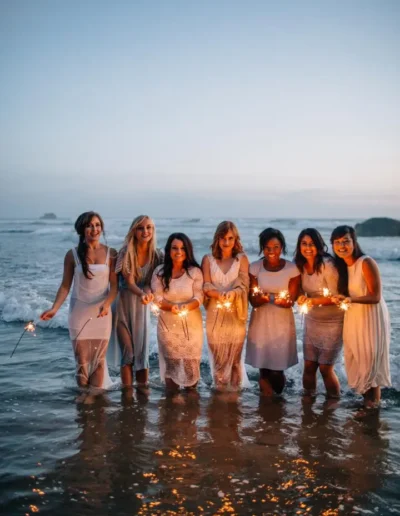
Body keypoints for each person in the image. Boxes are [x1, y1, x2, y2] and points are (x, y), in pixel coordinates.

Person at [40, 211, 118, 389]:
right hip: (79, 313)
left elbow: (114, 286)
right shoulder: (72, 255)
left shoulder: (110, 253)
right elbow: (65, 286)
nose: (94, 229)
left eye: (97, 225)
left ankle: (96, 402)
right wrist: (54, 308)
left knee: (98, 361)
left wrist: (107, 305)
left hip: (102, 313)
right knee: (82, 361)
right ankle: (84, 403)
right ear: (82, 229)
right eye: (90, 225)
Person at [330, 225, 391, 408]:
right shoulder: (343, 267)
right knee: (358, 359)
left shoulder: (366, 262)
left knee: (370, 362)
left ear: (354, 242)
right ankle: (369, 404)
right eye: (337, 242)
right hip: (354, 317)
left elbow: (375, 296)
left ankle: (372, 406)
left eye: (346, 241)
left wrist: (350, 298)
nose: (342, 246)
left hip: (371, 318)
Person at [246, 228, 301, 395]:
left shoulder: (292, 269)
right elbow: (253, 300)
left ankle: (278, 398)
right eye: (267, 248)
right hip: (261, 321)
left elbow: (290, 301)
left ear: (282, 247)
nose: (271, 252)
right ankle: (266, 402)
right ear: (262, 248)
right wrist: (267, 298)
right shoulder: (255, 268)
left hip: (282, 323)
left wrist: (267, 297)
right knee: (263, 368)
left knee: (278, 368)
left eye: (276, 247)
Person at [113, 215, 163, 388]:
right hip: (124, 305)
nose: (145, 231)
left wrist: (148, 293)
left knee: (142, 355)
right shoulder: (126, 252)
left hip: (142, 308)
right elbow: (130, 282)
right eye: (141, 228)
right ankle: (127, 397)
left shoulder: (157, 255)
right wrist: (143, 293)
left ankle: (143, 395)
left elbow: (152, 282)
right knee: (128, 353)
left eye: (149, 227)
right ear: (134, 231)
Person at [294, 228, 344, 397]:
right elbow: (299, 290)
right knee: (309, 365)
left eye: (312, 244)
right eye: (304, 244)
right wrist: (301, 297)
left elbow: (338, 296)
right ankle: (308, 400)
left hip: (333, 321)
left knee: (325, 367)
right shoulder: (299, 265)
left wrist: (312, 301)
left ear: (319, 245)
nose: (308, 247)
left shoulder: (327, 265)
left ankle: (333, 402)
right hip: (312, 320)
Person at [151, 233, 204, 391]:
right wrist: (170, 307)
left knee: (191, 367)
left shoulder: (195, 272)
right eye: (174, 248)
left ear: (188, 251)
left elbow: (199, 296)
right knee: (172, 367)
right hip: (168, 327)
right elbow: (157, 297)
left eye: (182, 248)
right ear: (168, 250)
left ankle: (191, 410)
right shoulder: (159, 272)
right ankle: (171, 408)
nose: (178, 251)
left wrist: (187, 306)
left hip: (192, 327)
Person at [202, 221, 249, 389]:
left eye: (230, 238)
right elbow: (206, 286)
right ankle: (220, 395)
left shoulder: (241, 259)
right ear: (217, 239)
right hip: (215, 316)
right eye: (222, 238)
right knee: (219, 361)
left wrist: (232, 293)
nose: (226, 242)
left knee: (235, 361)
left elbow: (243, 284)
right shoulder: (208, 260)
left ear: (236, 239)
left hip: (236, 315)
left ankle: (234, 397)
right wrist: (219, 294)